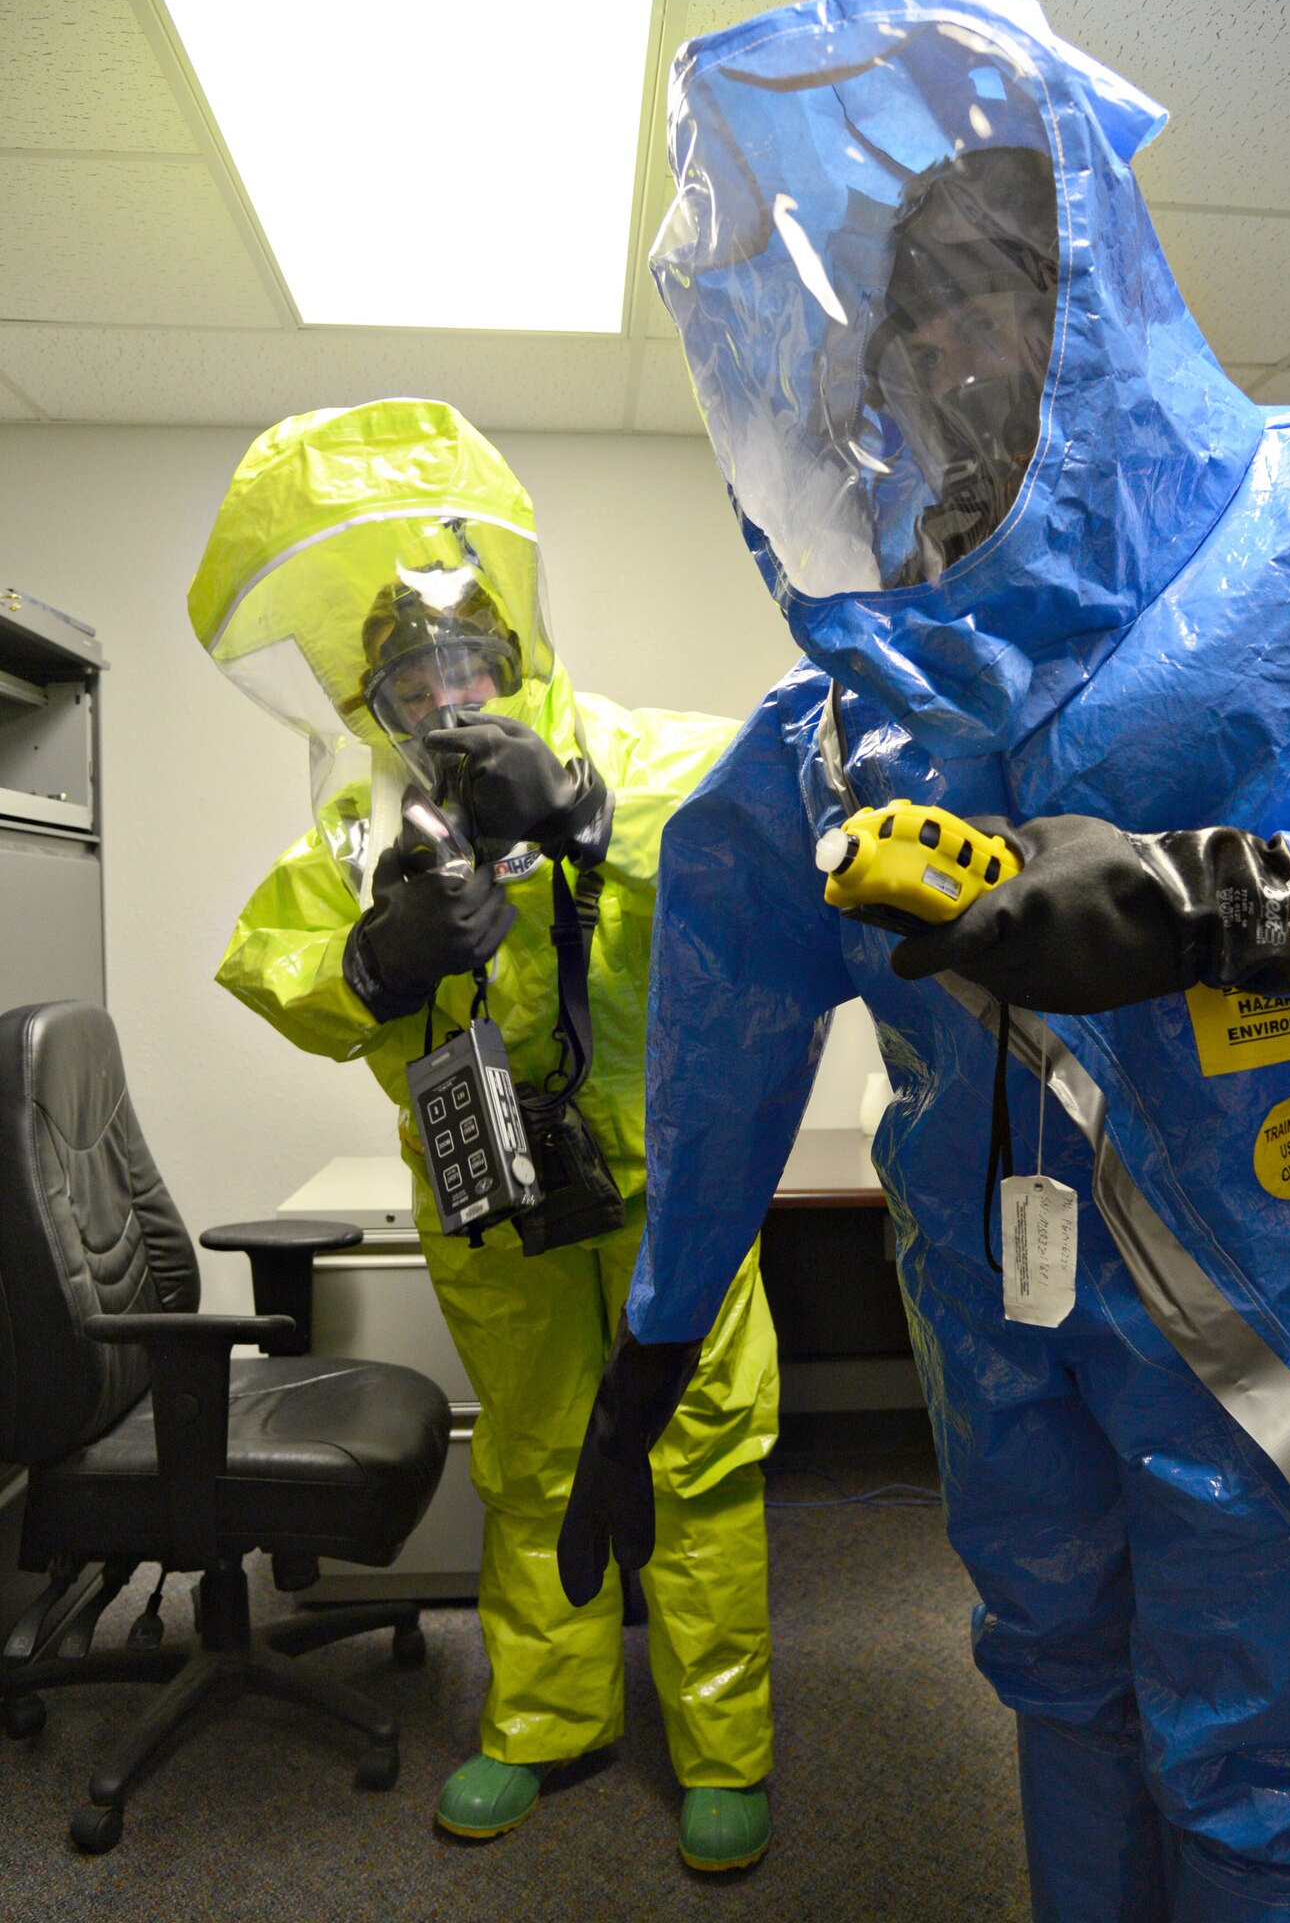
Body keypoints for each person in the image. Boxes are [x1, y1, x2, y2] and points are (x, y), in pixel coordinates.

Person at [557, 0, 1290, 1923]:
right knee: (1061, 1699)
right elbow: (718, 1018)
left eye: (997, 295)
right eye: (914, 325)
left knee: (1271, 1794)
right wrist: (653, 1345)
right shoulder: (852, 722)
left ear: (1100, 304)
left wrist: (1217, 904)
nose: (951, 356)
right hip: (1003, 1329)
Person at [187, 398, 778, 1871]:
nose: (442, 691)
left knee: (698, 1451)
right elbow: (269, 966)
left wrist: (581, 813)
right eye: (407, 673)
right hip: (491, 1191)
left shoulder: (637, 755)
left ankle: (724, 1743)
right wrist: (371, 960)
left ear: (514, 652)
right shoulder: (358, 834)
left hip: (673, 1179)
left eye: (462, 659)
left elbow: (772, 835)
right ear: (367, 697)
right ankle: (544, 1719)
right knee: (534, 1452)